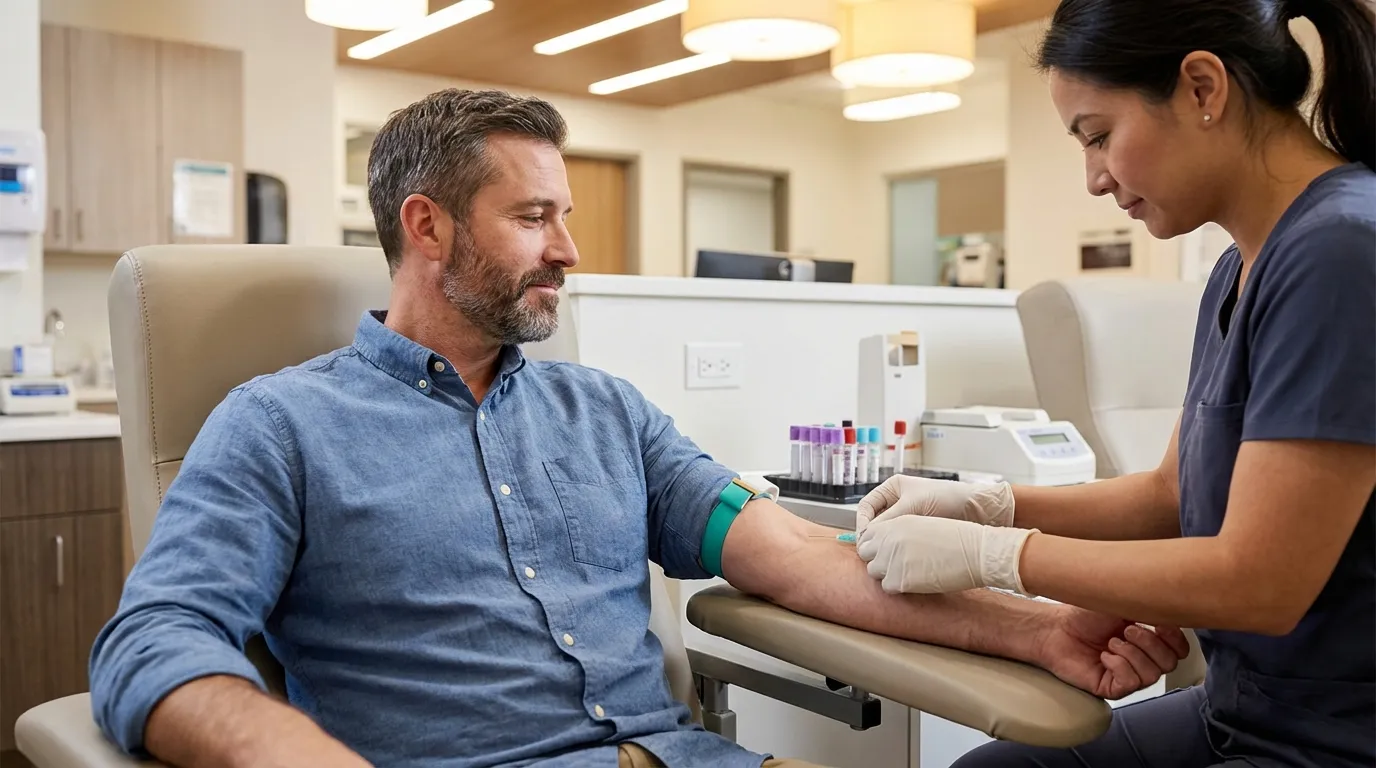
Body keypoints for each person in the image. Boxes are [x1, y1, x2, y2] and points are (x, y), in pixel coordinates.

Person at [89, 89, 1185, 768]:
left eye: (563, 214)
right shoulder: (281, 427)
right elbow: (154, 642)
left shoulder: (602, 411)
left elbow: (800, 560)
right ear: (424, 226)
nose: (566, 248)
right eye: (531, 217)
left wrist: (1029, 628)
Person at [853, 1, 1376, 766]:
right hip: (1248, 708)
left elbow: (1261, 580)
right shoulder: (1242, 265)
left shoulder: (1339, 253)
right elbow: (1169, 494)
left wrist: (994, 555)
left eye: (1099, 136)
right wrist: (990, 500)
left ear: (1203, 87)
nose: (1095, 178)